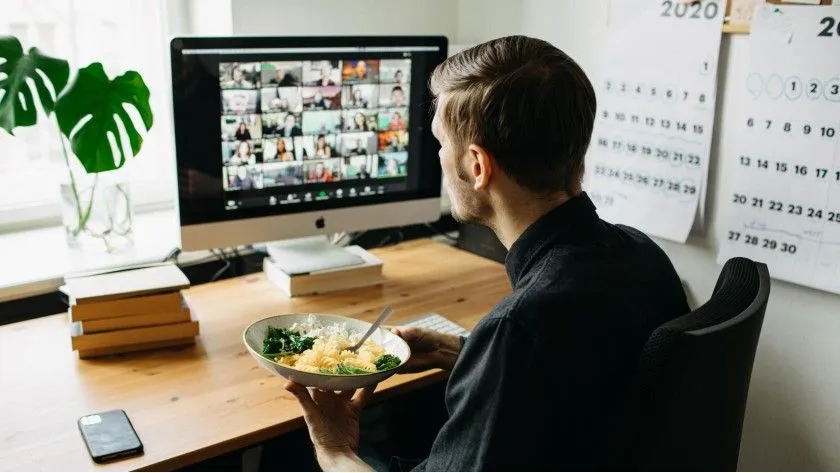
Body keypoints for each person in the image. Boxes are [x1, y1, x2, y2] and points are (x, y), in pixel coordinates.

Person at [283, 35, 690, 472]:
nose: (439, 157)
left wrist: (334, 447)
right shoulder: (643, 255)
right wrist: (459, 350)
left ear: (477, 166)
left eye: (441, 143)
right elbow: (586, 379)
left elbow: (533, 346)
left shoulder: (518, 327)